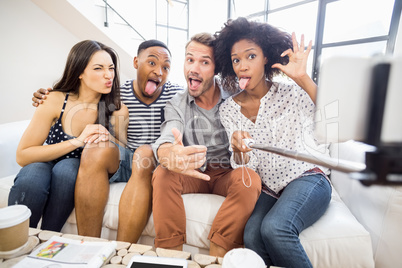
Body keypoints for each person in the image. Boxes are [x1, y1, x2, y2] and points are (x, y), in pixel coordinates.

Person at [32, 40, 183, 242]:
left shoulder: (177, 94)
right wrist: (45, 96)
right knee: (96, 148)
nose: (159, 71)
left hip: (153, 160)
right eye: (152, 63)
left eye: (166, 67)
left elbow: (207, 94)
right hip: (124, 156)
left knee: (144, 153)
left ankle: (122, 252)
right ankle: (90, 246)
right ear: (136, 62)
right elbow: (80, 96)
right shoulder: (114, 92)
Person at [214, 17, 332, 268]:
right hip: (270, 188)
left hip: (308, 177)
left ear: (266, 58)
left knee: (275, 228)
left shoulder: (292, 93)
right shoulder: (228, 110)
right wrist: (238, 150)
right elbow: (247, 166)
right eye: (236, 60)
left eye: (251, 56)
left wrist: (303, 78)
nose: (242, 66)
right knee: (252, 235)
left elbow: (332, 119)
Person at [151, 33, 261, 257]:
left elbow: (246, 156)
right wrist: (167, 152)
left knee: (250, 180)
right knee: (163, 173)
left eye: (204, 62)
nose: (194, 68)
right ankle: (169, 258)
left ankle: (217, 258)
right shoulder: (176, 104)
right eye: (190, 60)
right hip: (193, 171)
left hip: (226, 173)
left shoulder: (237, 99)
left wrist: (242, 150)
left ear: (216, 69)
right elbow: (167, 135)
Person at [8, 40, 128, 232]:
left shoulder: (117, 110)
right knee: (32, 176)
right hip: (46, 161)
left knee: (66, 169)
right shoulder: (55, 100)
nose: (108, 75)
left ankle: (48, 237)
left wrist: (106, 136)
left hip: (75, 170)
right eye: (98, 68)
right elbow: (23, 155)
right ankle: (15, 241)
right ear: (79, 72)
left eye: (111, 68)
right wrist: (78, 141)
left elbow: (122, 155)